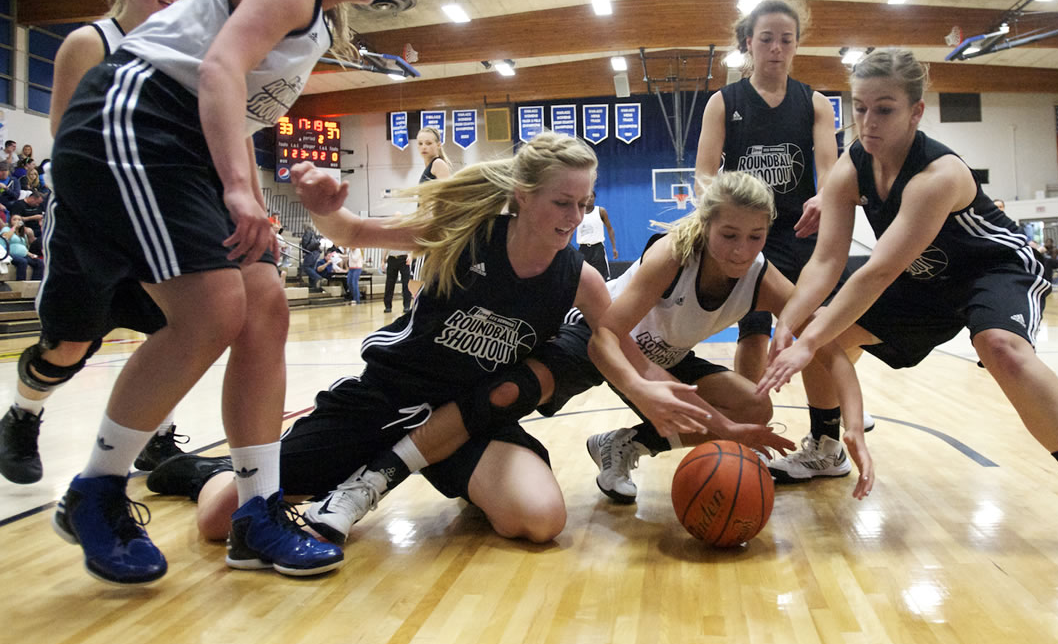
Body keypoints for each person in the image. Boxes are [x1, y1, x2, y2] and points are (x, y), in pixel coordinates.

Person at [45, 0, 401, 584]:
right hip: (136, 117)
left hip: (191, 146)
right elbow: (216, 69)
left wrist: (291, 178)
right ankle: (96, 488)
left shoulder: (321, 28)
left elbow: (236, 106)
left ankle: (256, 512)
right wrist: (242, 189)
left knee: (265, 310)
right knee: (211, 310)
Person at [150, 133, 703, 550]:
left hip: (464, 417)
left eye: (584, 203)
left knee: (538, 520)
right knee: (218, 518)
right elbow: (354, 233)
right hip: (383, 398)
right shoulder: (463, 236)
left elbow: (616, 343)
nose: (575, 216)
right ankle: (212, 470)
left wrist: (663, 395)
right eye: (564, 202)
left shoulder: (576, 277)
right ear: (523, 196)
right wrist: (324, 206)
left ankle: (438, 480)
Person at [759, 48, 1058, 580]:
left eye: (886, 110)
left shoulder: (937, 175)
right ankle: (827, 449)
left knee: (1000, 348)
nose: (869, 123)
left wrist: (805, 338)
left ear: (916, 112)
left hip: (993, 269)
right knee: (812, 332)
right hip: (925, 279)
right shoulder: (852, 164)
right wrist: (790, 328)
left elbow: (874, 272)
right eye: (860, 108)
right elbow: (826, 262)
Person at [1, 0, 188, 487]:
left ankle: (157, 438)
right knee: (70, 345)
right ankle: (21, 416)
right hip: (92, 215)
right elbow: (65, 133)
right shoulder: (90, 42)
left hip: (153, 218)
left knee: (176, 330)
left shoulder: (174, 53)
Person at [577, 171, 870, 504]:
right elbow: (605, 337)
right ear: (706, 225)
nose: (740, 252)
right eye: (729, 235)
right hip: (600, 340)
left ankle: (623, 443)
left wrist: (854, 427)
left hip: (667, 357)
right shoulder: (673, 256)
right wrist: (716, 424)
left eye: (755, 236)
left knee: (754, 408)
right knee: (529, 387)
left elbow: (829, 351)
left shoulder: (761, 277)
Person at [695, 0, 838, 386]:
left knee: (816, 331)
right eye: (767, 38)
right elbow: (705, 176)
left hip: (802, 233)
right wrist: (711, 226)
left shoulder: (815, 103)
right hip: (748, 237)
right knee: (753, 331)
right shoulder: (724, 102)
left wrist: (825, 196)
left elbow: (830, 170)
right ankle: (750, 420)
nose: (777, 47)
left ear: (796, 45)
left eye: (786, 40)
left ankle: (824, 432)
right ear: (748, 43)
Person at [408, 126, 452, 299]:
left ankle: (421, 318)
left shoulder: (438, 164)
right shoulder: (427, 169)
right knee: (420, 282)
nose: (423, 147)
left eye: (428, 143)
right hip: (424, 229)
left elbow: (449, 197)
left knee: (416, 282)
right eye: (420, 143)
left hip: (431, 231)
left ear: (438, 144)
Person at [574, 191, 618, 279]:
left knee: (601, 277)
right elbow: (570, 231)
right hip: (583, 249)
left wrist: (614, 248)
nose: (589, 199)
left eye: (592, 197)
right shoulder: (577, 213)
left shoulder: (601, 211)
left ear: (595, 198)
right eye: (587, 197)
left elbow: (610, 229)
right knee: (582, 278)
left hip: (598, 249)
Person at [2, 216, 43, 281]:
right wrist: (14, 227)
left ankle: (34, 282)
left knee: (39, 263)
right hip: (10, 254)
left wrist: (31, 254)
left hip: (23, 255)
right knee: (23, 262)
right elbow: (6, 237)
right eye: (14, 219)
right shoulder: (6, 229)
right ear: (10, 221)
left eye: (19, 219)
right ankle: (20, 282)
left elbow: (23, 248)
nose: (17, 221)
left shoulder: (22, 234)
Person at [380, 248, 411, 314]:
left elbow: (411, 246)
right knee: (389, 283)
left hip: (404, 258)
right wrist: (383, 260)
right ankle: (388, 306)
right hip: (392, 258)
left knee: (406, 283)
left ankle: (407, 306)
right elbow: (385, 247)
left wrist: (410, 256)